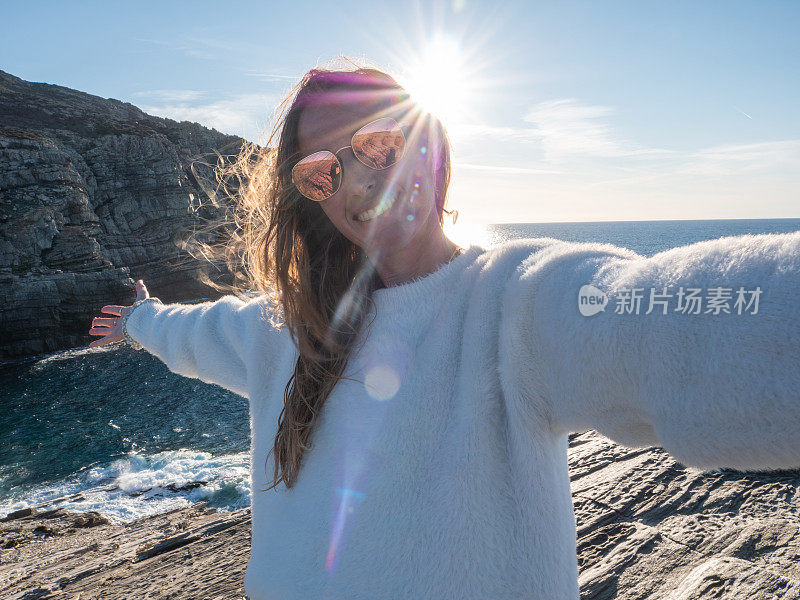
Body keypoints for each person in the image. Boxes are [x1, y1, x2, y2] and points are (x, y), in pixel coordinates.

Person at [88, 61, 800, 599]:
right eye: (322, 172)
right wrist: (140, 321)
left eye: (379, 145)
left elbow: (657, 315)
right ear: (311, 200)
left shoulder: (512, 304)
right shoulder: (280, 329)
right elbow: (190, 333)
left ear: (431, 149)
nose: (360, 182)